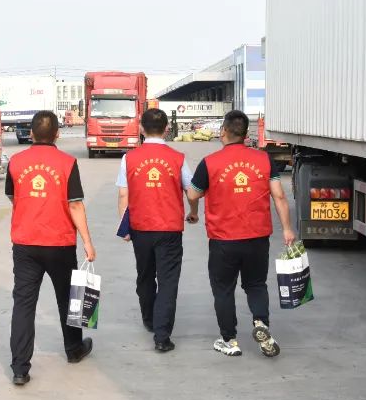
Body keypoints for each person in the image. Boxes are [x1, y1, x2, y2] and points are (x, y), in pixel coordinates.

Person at [187, 110, 297, 358]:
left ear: (224, 131)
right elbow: (279, 196)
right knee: (256, 284)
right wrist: (287, 228)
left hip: (223, 239)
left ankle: (229, 340)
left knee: (223, 289)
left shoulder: (210, 162)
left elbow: (193, 194)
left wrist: (194, 209)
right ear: (246, 134)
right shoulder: (264, 160)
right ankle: (261, 323)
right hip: (257, 237)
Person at [6, 110, 96, 385]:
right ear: (57, 134)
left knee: (24, 303)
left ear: (32, 133)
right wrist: (87, 242)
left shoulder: (16, 161)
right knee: (69, 298)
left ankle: (20, 368)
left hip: (25, 243)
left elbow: (12, 195)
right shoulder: (67, 163)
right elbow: (75, 204)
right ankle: (74, 349)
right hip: (60, 244)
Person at [116, 108, 198, 353]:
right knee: (168, 280)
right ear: (167, 129)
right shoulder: (178, 158)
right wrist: (193, 211)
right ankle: (162, 336)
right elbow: (192, 191)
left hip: (140, 228)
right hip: (169, 229)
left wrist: (124, 226)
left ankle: (150, 319)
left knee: (145, 275)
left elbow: (123, 194)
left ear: (141, 128)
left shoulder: (129, 158)